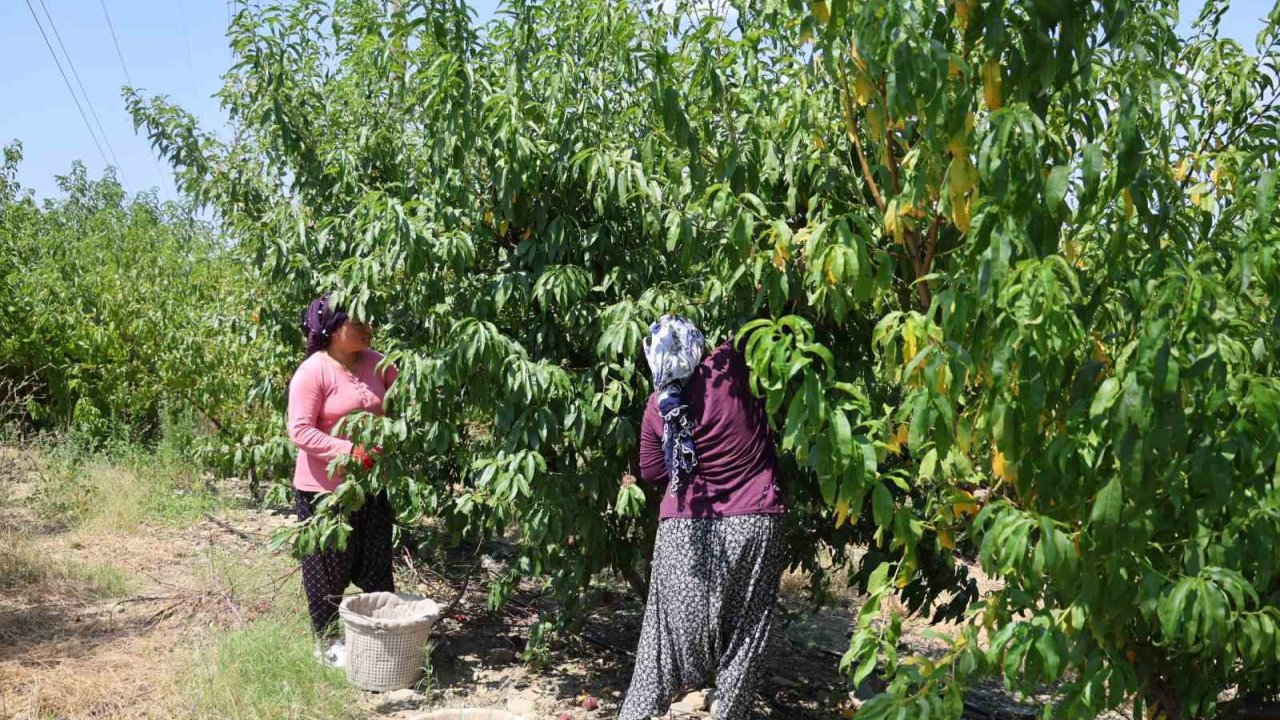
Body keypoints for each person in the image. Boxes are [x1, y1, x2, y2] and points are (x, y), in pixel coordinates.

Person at [619, 315, 788, 720]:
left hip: (682, 534)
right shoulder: (729, 366)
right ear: (697, 345)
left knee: (657, 659)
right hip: (753, 522)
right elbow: (765, 317)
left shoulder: (658, 407)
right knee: (744, 641)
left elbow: (653, 472)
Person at [287, 294, 398, 667]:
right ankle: (328, 643)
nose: (369, 328)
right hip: (325, 493)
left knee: (376, 565)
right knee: (326, 572)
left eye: (369, 321)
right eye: (358, 322)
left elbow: (403, 404)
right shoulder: (313, 371)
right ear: (333, 330)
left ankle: (380, 637)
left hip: (371, 487)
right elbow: (300, 430)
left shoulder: (379, 364)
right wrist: (350, 452)